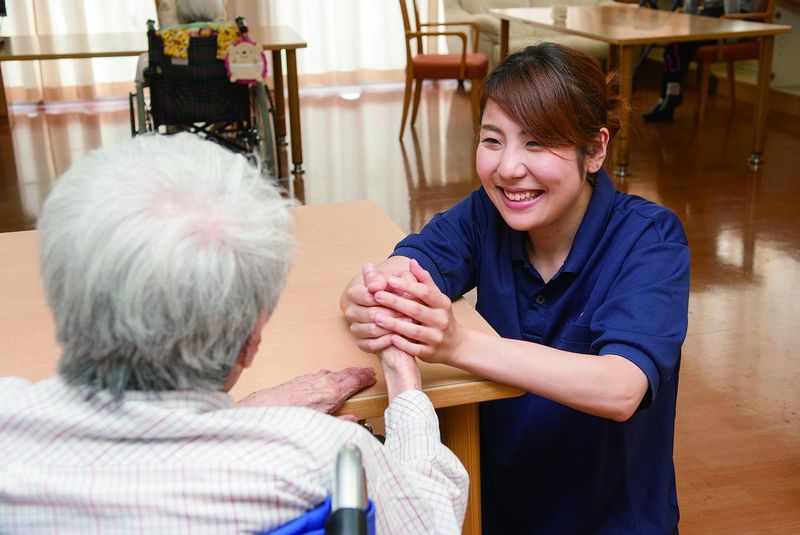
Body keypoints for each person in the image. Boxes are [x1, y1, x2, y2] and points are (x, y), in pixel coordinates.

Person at [0, 133, 468, 534]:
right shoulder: (321, 459)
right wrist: (406, 389)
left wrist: (245, 416)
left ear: (59, 296)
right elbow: (429, 520)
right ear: (252, 341)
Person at [341, 43, 690, 534]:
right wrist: (369, 295)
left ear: (595, 150)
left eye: (536, 143)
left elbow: (622, 387)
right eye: (492, 140)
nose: (507, 168)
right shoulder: (488, 213)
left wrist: (456, 344)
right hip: (497, 510)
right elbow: (405, 266)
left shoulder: (649, 239)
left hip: (611, 520)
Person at [642, 0, 767, 122]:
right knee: (675, 44)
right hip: (710, 17)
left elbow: (736, 8)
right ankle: (668, 97)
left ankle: (669, 97)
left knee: (680, 44)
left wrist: (731, 35)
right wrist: (687, 22)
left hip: (735, 20)